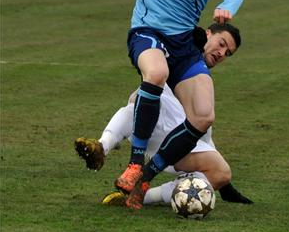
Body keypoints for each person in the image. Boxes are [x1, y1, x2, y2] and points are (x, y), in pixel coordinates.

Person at [74, 0, 246, 209]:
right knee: (156, 73)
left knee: (204, 116)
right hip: (147, 30)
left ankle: (146, 178)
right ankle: (135, 162)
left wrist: (228, 4)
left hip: (183, 42)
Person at [74, 23, 252, 206]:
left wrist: (225, 186)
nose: (222, 53)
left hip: (179, 147)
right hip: (150, 127)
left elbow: (204, 136)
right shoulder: (176, 54)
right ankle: (101, 148)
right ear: (208, 34)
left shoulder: (202, 82)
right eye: (222, 44)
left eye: (228, 53)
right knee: (136, 103)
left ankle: (143, 196)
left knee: (221, 173)